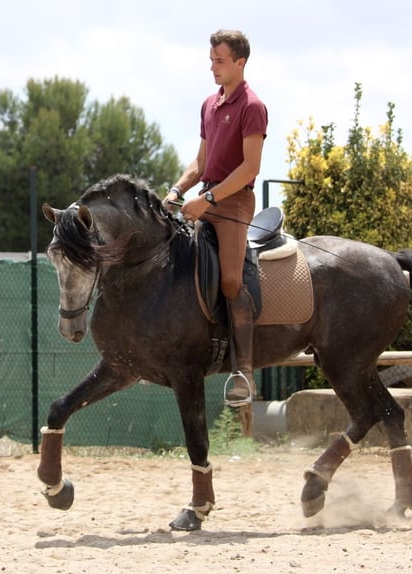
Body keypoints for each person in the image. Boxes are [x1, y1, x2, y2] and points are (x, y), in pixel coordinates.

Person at [163, 29, 268, 407]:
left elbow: (248, 168)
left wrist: (207, 199)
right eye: (211, 61)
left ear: (240, 62)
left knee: (229, 280)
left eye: (220, 61)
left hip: (234, 202)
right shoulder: (209, 104)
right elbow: (202, 162)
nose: (213, 67)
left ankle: (244, 372)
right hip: (205, 196)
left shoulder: (252, 106)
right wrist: (176, 192)